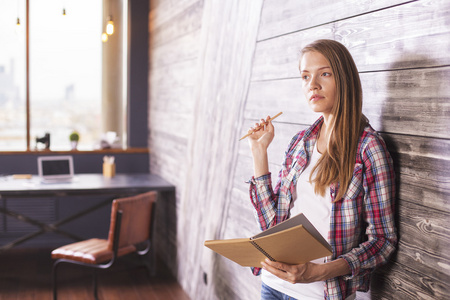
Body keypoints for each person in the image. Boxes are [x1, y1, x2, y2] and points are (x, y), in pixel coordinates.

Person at [246, 39, 397, 300]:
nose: (312, 85)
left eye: (324, 74)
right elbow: (273, 225)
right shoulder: (299, 142)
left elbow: (383, 241)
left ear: (344, 78)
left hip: (320, 294)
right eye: (305, 76)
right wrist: (259, 153)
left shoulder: (368, 149)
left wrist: (318, 272)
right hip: (273, 284)